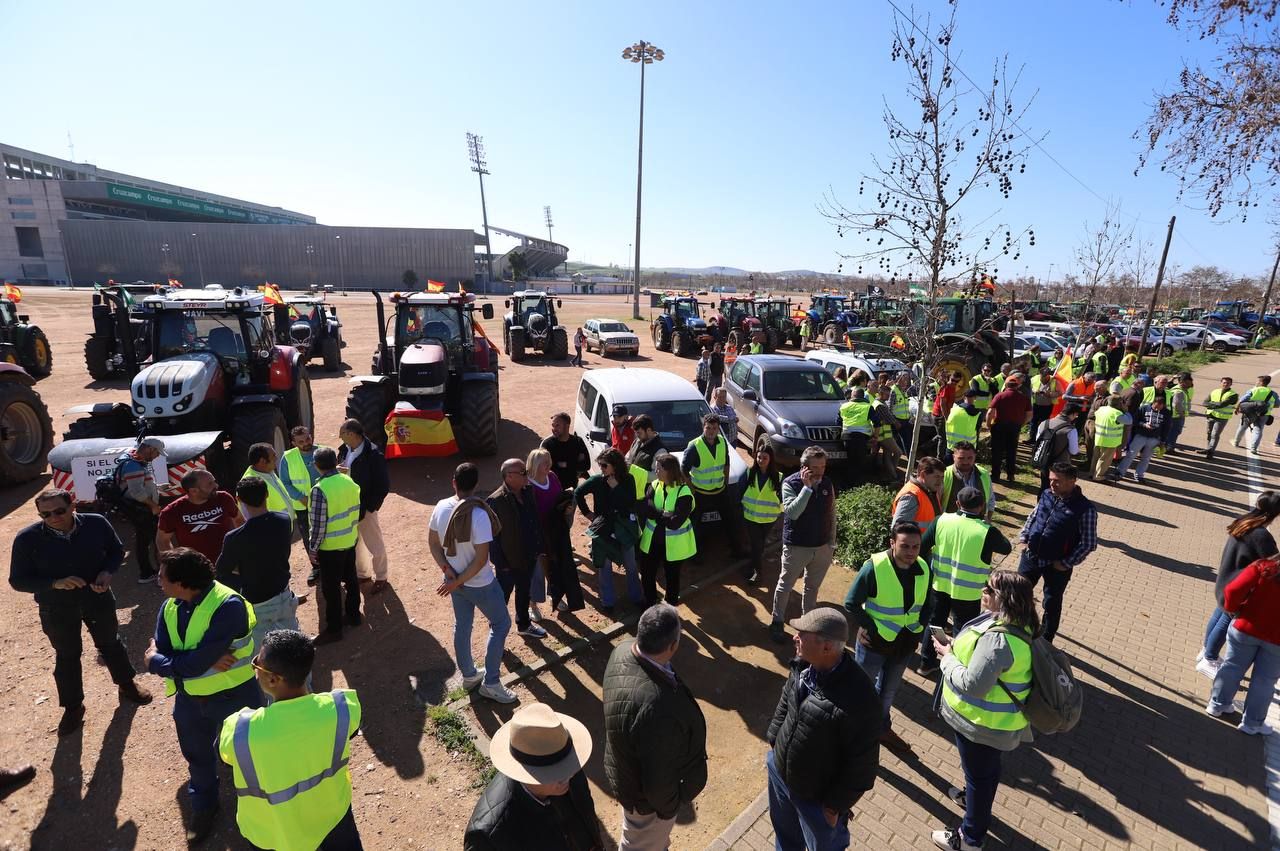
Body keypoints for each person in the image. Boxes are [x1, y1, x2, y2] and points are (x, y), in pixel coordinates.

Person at [9, 489, 153, 736]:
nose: (52, 517)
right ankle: (73, 707)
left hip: (97, 598)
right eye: (45, 514)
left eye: (59, 511)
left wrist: (108, 572)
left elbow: (116, 551)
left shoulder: (96, 524)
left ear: (72, 505)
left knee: (110, 644)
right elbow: (18, 580)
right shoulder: (27, 539)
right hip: (56, 607)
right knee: (67, 655)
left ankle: (127, 685)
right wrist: (54, 583)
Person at [145, 547, 262, 842]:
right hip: (190, 700)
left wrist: (159, 661)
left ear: (182, 582)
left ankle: (259, 811)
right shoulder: (170, 606)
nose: (158, 580)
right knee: (197, 756)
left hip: (234, 698)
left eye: (162, 576)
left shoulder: (228, 606)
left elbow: (184, 662)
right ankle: (205, 804)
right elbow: (165, 650)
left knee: (246, 756)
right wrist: (165, 660)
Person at [219, 629, 364, 850]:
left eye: (256, 664)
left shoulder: (241, 730)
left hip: (274, 835)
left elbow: (223, 756)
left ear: (273, 679)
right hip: (333, 818)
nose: (255, 669)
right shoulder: (342, 707)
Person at [930, 571, 1040, 851]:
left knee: (979, 777)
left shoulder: (998, 640)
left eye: (989, 589)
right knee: (985, 774)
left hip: (982, 726)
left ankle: (969, 839)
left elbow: (972, 685)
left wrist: (947, 657)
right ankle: (971, 803)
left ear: (1004, 598)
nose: (983, 591)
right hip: (997, 726)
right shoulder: (1018, 624)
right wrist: (957, 647)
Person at [766, 606, 881, 851]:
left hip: (816, 801)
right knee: (786, 840)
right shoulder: (802, 664)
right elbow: (787, 699)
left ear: (826, 647)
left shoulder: (861, 700)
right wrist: (775, 739)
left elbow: (862, 767)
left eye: (802, 634)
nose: (795, 637)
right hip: (780, 775)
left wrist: (833, 806)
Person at [603, 604, 707, 849]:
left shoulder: (621, 651)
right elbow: (658, 783)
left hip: (626, 771)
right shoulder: (657, 709)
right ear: (673, 646)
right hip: (646, 803)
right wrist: (669, 809)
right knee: (638, 844)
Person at [429, 463, 517, 704]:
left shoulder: (440, 507)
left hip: (454, 581)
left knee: (463, 625)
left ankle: (469, 675)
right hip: (479, 584)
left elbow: (433, 544)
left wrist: (449, 574)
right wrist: (456, 581)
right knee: (501, 623)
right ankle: (491, 682)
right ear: (476, 484)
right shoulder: (479, 514)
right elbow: (480, 560)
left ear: (453, 482)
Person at [844, 521, 932, 755]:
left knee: (888, 691)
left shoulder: (923, 566)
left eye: (916, 547)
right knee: (861, 690)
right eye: (905, 546)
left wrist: (918, 627)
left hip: (904, 644)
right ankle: (852, 731)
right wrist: (873, 627)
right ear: (892, 543)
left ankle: (880, 728)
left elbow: (928, 603)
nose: (911, 552)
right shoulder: (874, 567)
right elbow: (851, 603)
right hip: (874, 643)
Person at [465, 702, 601, 851]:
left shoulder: (566, 764)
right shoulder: (488, 836)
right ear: (528, 773)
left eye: (565, 767)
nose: (568, 776)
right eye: (553, 772)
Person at [917, 488, 1012, 675]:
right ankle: (955, 667)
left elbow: (922, 546)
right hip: (968, 593)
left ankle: (926, 663)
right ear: (982, 506)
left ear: (958, 504)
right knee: (963, 631)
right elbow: (1006, 547)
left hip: (939, 585)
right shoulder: (987, 531)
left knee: (934, 623)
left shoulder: (941, 520)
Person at [1197, 492, 1280, 679]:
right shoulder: (1261, 536)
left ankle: (1206, 651)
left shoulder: (1245, 521)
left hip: (1225, 580)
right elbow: (1274, 563)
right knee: (1226, 620)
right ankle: (1209, 658)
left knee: (1219, 613)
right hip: (1238, 587)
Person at [217, 477, 300, 654]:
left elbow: (222, 571)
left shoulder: (234, 538)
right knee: (294, 649)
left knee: (266, 656)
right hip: (283, 594)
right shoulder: (284, 520)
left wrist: (242, 568)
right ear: (267, 494)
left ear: (238, 499)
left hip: (257, 603)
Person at [1017, 463, 1097, 641]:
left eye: (1057, 481)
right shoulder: (1046, 494)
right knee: (1017, 594)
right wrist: (1023, 539)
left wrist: (1066, 563)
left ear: (1072, 481)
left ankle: (1045, 642)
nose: (1052, 484)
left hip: (1057, 566)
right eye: (1051, 480)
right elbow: (1034, 516)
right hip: (1031, 557)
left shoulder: (1085, 509)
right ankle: (1016, 630)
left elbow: (1089, 543)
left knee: (1051, 603)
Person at [769, 447, 838, 643]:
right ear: (804, 467)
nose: (820, 471)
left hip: (822, 548)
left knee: (812, 588)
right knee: (785, 586)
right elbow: (792, 512)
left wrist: (831, 542)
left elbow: (832, 513)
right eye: (815, 467)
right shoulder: (790, 483)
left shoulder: (827, 483)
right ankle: (777, 621)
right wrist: (807, 488)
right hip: (797, 547)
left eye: (823, 466)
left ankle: (808, 624)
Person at [1207, 554, 1280, 735]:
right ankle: (1252, 723)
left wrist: (1233, 609)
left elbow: (1232, 590)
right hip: (1277, 641)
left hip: (1245, 627)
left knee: (1232, 667)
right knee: (1265, 681)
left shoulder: (1264, 566)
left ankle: (1217, 704)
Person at [576, 448, 643, 615]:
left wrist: (616, 487)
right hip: (603, 528)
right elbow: (578, 492)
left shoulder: (628, 479)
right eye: (600, 466)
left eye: (604, 466)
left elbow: (630, 502)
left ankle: (636, 598)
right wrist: (587, 513)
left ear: (615, 465)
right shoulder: (597, 480)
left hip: (624, 528)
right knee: (604, 566)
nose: (602, 469)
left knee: (631, 565)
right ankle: (608, 602)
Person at [307, 447, 363, 644]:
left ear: (316, 466)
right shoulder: (349, 480)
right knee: (351, 579)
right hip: (349, 539)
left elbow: (318, 524)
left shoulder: (319, 490)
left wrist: (313, 548)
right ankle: (354, 616)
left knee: (330, 589)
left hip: (330, 548)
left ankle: (334, 629)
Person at [489, 458, 547, 639]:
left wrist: (539, 546)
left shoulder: (528, 492)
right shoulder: (495, 501)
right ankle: (496, 635)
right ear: (509, 477)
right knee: (501, 599)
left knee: (524, 591)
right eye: (523, 473)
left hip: (528, 555)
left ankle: (523, 624)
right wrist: (501, 564)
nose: (527, 476)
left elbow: (534, 520)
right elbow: (492, 538)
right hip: (508, 561)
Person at [681, 413, 746, 560]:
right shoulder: (694, 446)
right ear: (703, 427)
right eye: (708, 428)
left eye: (714, 428)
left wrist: (725, 482)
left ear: (718, 429)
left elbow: (726, 463)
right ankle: (694, 555)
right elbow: (683, 471)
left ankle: (737, 550)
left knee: (731, 521)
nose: (711, 431)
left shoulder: (722, 442)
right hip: (700, 493)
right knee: (694, 525)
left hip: (720, 491)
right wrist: (691, 489)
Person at [338, 419, 391, 594]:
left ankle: (381, 576)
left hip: (365, 506)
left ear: (352, 434)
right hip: (348, 505)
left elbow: (383, 484)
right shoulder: (344, 450)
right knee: (356, 542)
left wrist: (371, 506)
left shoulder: (373, 454)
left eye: (342, 433)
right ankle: (363, 574)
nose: (339, 436)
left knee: (374, 542)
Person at [637, 454, 697, 605]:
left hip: (674, 545)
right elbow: (646, 508)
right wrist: (664, 514)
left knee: (672, 576)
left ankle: (670, 605)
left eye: (658, 469)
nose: (655, 471)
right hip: (653, 541)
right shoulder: (655, 484)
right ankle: (650, 602)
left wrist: (657, 514)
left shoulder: (684, 493)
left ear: (669, 471)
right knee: (647, 573)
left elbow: (675, 523)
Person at [157, 468, 242, 563]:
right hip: (197, 567)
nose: (216, 486)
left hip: (229, 561)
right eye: (210, 484)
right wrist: (174, 563)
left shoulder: (224, 498)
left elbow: (239, 520)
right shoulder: (172, 511)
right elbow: (162, 540)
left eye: (214, 481)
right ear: (193, 491)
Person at [114, 436, 166, 582]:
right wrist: (154, 506)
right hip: (142, 510)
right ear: (150, 449)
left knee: (143, 540)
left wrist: (156, 488)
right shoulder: (133, 466)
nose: (156, 457)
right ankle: (163, 577)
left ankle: (147, 573)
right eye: (157, 453)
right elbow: (137, 492)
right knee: (159, 540)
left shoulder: (132, 459)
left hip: (137, 509)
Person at [523, 448, 557, 620]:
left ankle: (554, 596)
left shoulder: (552, 476)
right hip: (536, 534)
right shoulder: (527, 485)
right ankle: (533, 605)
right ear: (534, 464)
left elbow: (559, 496)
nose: (548, 464)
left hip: (553, 531)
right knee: (536, 570)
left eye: (548, 460)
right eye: (544, 462)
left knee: (552, 565)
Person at [741, 443, 783, 584]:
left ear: (770, 459)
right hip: (751, 517)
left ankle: (751, 565)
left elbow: (781, 498)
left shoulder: (778, 477)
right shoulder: (749, 473)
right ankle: (758, 574)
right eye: (759, 457)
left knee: (758, 546)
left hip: (768, 519)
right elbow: (742, 493)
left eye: (764, 458)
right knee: (757, 545)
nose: (761, 460)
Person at [281, 425, 326, 551]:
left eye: (307, 439)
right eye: (301, 441)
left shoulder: (323, 451)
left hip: (324, 501)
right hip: (302, 506)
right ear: (294, 443)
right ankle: (316, 567)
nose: (306, 443)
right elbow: (285, 482)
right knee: (308, 537)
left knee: (327, 534)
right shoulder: (288, 458)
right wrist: (301, 497)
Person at [1108, 395, 1169, 484]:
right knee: (1130, 454)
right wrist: (1144, 425)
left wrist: (1162, 441)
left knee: (1146, 458)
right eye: (1156, 407)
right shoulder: (1143, 408)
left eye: (1160, 408)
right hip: (1140, 436)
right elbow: (1135, 421)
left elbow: (1166, 427)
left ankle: (1139, 475)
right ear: (1153, 403)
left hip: (1154, 438)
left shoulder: (1166, 413)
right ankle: (1120, 472)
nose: (1157, 409)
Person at [985, 374, 1029, 483]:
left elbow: (990, 412)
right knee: (1011, 451)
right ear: (1017, 386)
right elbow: (1030, 414)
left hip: (999, 426)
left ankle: (995, 475)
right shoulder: (1024, 398)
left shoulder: (999, 396)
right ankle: (1010, 475)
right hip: (1014, 427)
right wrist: (1022, 424)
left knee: (997, 452)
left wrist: (988, 424)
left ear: (1006, 385)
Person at [240, 442, 294, 531]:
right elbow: (248, 516)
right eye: (273, 456)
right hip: (271, 532)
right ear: (262, 461)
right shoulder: (250, 483)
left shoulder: (268, 471)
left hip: (283, 527)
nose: (276, 458)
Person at [1033, 402, 1081, 493]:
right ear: (1073, 414)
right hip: (1061, 466)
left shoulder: (1044, 423)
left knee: (1044, 485)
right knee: (1057, 489)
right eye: (1076, 415)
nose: (1076, 418)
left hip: (1044, 461)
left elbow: (1037, 441)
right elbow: (1074, 451)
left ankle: (1041, 503)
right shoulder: (1071, 429)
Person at [940, 442, 995, 519]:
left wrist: (988, 519)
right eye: (961, 458)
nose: (965, 462)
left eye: (970, 458)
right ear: (953, 457)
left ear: (975, 457)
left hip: (977, 523)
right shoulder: (944, 474)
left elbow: (991, 499)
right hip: (951, 524)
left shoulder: (984, 474)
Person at [542, 412, 591, 493]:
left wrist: (563, 464)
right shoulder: (547, 444)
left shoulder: (577, 441)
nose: (554, 428)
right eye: (553, 425)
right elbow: (544, 468)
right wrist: (575, 463)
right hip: (552, 490)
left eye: (557, 425)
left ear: (567, 426)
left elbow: (586, 465)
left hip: (572, 489)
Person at [892, 456, 944, 530]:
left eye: (942, 477)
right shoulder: (911, 496)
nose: (940, 482)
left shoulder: (929, 490)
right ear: (923, 475)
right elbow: (899, 529)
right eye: (936, 476)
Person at [1233, 375, 1279, 455]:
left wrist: (1237, 409)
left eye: (1257, 381)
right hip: (1264, 414)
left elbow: (1242, 400)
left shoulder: (1253, 390)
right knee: (1258, 431)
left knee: (1243, 427)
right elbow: (1277, 405)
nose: (1256, 382)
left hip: (1250, 413)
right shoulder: (1273, 393)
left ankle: (1236, 442)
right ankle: (1253, 448)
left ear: (1261, 382)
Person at [1088, 395, 1130, 481]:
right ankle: (1098, 476)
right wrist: (1125, 411)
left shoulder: (1101, 409)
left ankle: (1092, 473)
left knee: (1096, 457)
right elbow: (1129, 421)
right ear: (1120, 404)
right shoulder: (1117, 414)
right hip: (1110, 441)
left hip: (1099, 437)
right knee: (1104, 459)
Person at [839, 387, 876, 469]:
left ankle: (849, 480)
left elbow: (838, 422)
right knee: (860, 461)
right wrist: (875, 437)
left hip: (846, 437)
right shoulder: (868, 407)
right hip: (861, 438)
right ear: (863, 397)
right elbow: (877, 423)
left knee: (849, 460)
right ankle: (858, 481)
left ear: (852, 396)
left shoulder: (843, 406)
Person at [1203, 376, 1239, 459]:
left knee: (1215, 434)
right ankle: (1208, 448)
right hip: (1211, 415)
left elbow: (1222, 404)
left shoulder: (1233, 395)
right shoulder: (1215, 391)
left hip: (1222, 418)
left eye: (1228, 383)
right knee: (1209, 433)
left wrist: (1211, 404)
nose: (1225, 384)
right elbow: (1204, 402)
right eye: (1224, 382)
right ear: (1221, 383)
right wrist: (1214, 405)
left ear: (1231, 384)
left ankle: (1210, 452)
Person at [944, 389, 982, 463]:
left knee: (949, 471)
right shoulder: (978, 414)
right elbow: (978, 430)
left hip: (952, 447)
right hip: (968, 449)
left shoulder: (954, 410)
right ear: (975, 398)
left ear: (964, 397)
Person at [1167, 372, 1193, 454]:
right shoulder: (1179, 391)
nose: (1191, 384)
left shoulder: (1182, 390)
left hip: (1176, 415)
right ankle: (1169, 448)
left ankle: (1168, 447)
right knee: (1174, 432)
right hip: (1176, 416)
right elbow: (1177, 404)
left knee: (1173, 432)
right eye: (1189, 382)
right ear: (1183, 382)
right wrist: (1182, 414)